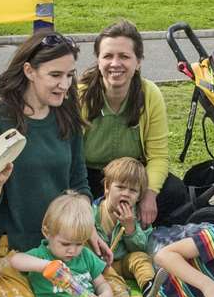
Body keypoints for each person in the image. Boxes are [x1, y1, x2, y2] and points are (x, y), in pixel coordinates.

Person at [0, 32, 95, 297]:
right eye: (55, 75)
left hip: (61, 249)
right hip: (12, 252)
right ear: (29, 71)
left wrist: (88, 228)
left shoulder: (65, 116)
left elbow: (79, 182)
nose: (64, 85)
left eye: (69, 75)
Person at [6, 193, 155, 297]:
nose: (72, 250)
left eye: (78, 243)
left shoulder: (84, 255)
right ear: (47, 232)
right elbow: (16, 260)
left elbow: (101, 284)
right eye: (65, 244)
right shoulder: (41, 256)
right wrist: (45, 266)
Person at [78, 20, 184, 223]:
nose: (115, 64)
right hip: (87, 177)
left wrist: (149, 195)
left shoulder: (150, 94)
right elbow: (69, 159)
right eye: (108, 56)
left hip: (131, 177)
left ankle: (146, 238)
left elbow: (158, 156)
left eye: (124, 56)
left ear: (138, 62)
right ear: (98, 60)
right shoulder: (80, 95)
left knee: (174, 191)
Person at [94, 156, 156, 297]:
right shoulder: (93, 211)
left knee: (140, 258)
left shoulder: (139, 217)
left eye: (133, 191)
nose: (126, 194)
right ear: (107, 187)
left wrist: (130, 229)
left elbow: (141, 248)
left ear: (139, 196)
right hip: (95, 267)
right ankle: (117, 291)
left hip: (120, 265)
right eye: (120, 187)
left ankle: (149, 286)